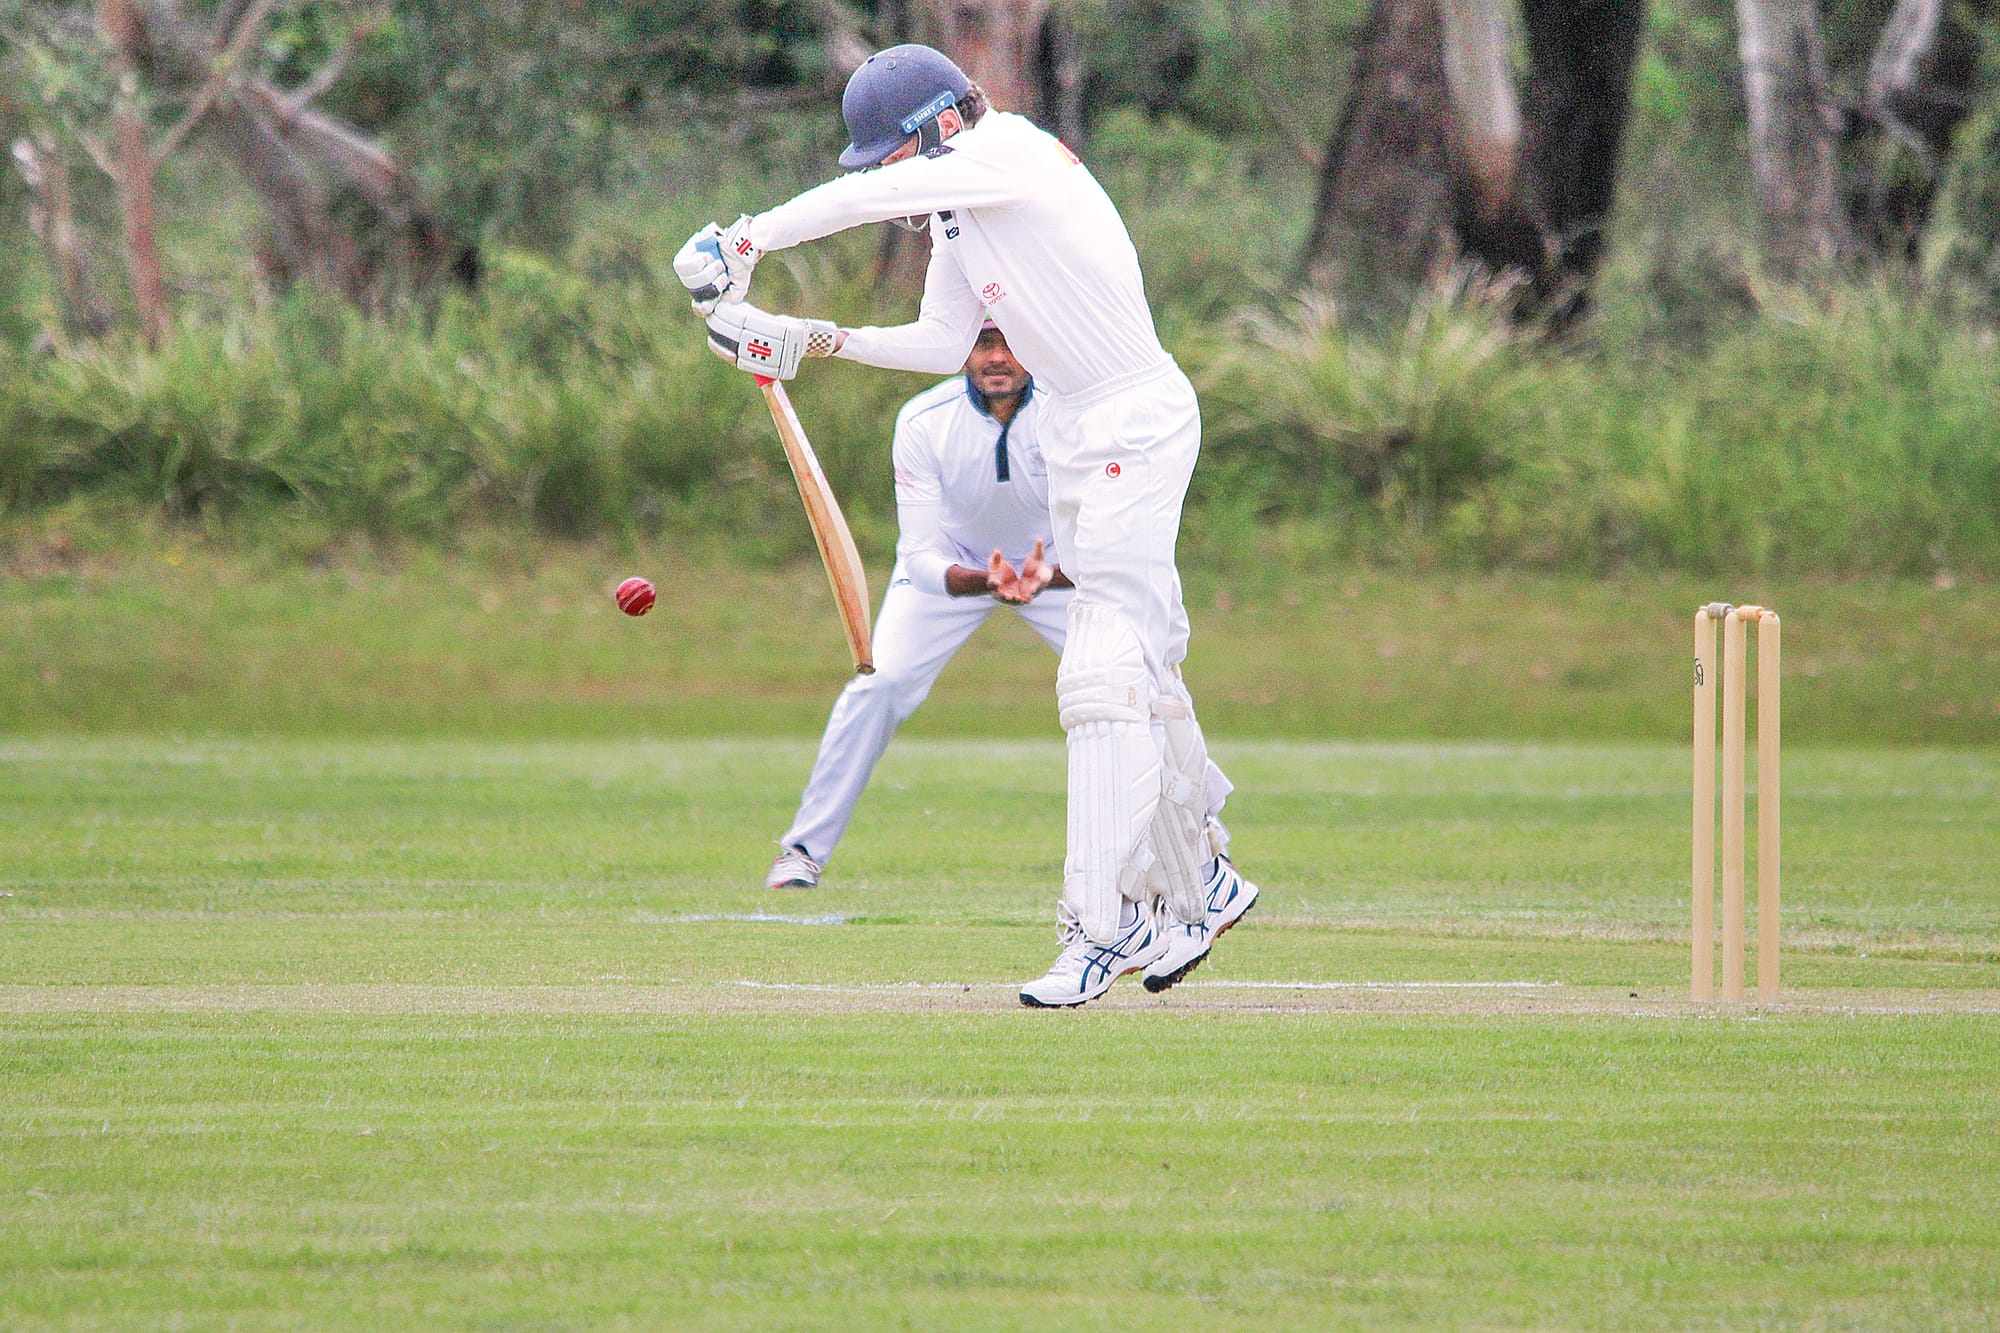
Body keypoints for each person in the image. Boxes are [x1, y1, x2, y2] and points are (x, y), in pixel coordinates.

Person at [675, 43, 1256, 1006]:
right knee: (1144, 671)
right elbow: (944, 341)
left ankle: (1101, 928)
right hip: (1077, 431)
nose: (891, 183)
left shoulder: (1006, 154)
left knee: (1099, 674)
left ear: (942, 125)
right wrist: (811, 339)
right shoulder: (959, 213)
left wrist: (746, 241)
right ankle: (1202, 880)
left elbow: (861, 201)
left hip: (1135, 419)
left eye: (894, 156)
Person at [765, 321, 1235, 899]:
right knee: (879, 685)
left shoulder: (1073, 414)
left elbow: (1115, 535)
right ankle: (803, 851)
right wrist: (985, 580)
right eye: (983, 343)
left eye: (1010, 342)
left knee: (1141, 682)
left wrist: (1049, 574)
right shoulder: (923, 421)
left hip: (1066, 563)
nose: (997, 357)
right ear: (962, 348)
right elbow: (919, 556)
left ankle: (1203, 835)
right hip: (958, 566)